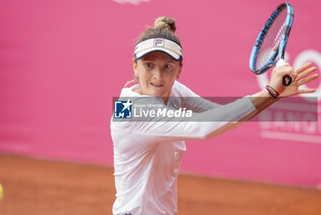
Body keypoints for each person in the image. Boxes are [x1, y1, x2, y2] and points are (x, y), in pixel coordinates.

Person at [110, 16, 318, 215]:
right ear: (135, 66)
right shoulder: (132, 112)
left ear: (179, 70)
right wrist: (270, 92)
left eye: (167, 67)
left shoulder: (174, 91)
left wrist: (274, 95)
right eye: (148, 65)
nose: (157, 75)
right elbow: (205, 125)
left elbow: (217, 112)